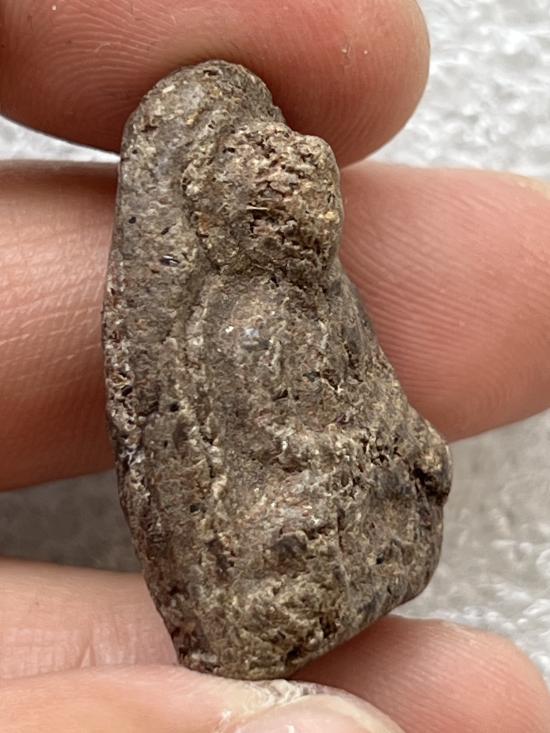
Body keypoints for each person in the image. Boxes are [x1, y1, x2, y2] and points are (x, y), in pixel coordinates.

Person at [1, 1, 549, 730]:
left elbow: (369, 388)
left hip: (352, 486)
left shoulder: (321, 295)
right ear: (239, 218)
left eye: (316, 193)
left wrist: (405, 440)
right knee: (296, 551)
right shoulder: (238, 318)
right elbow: (266, 437)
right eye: (281, 197)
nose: (311, 210)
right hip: (294, 498)